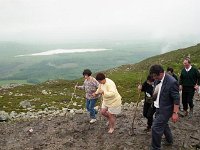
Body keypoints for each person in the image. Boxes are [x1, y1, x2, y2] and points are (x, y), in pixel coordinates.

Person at [149, 65, 180, 150]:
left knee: (155, 128)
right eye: (153, 76)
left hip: (166, 110)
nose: (154, 78)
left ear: (162, 73)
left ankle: (156, 148)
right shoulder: (157, 80)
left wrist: (175, 113)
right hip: (157, 107)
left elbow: (176, 99)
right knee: (164, 125)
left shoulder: (172, 82)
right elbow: (156, 92)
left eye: (156, 76)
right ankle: (170, 140)